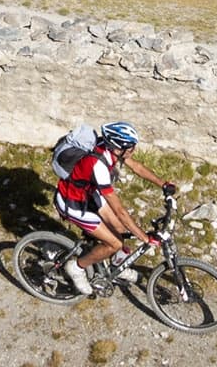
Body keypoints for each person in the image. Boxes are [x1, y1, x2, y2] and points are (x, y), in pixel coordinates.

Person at [55, 120, 177, 295]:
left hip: (88, 194)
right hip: (73, 203)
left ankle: (116, 265)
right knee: (114, 243)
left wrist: (163, 184)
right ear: (119, 148)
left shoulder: (109, 147)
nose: (134, 150)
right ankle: (76, 267)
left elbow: (136, 166)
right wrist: (143, 237)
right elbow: (119, 211)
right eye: (131, 147)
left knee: (120, 228)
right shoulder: (99, 166)